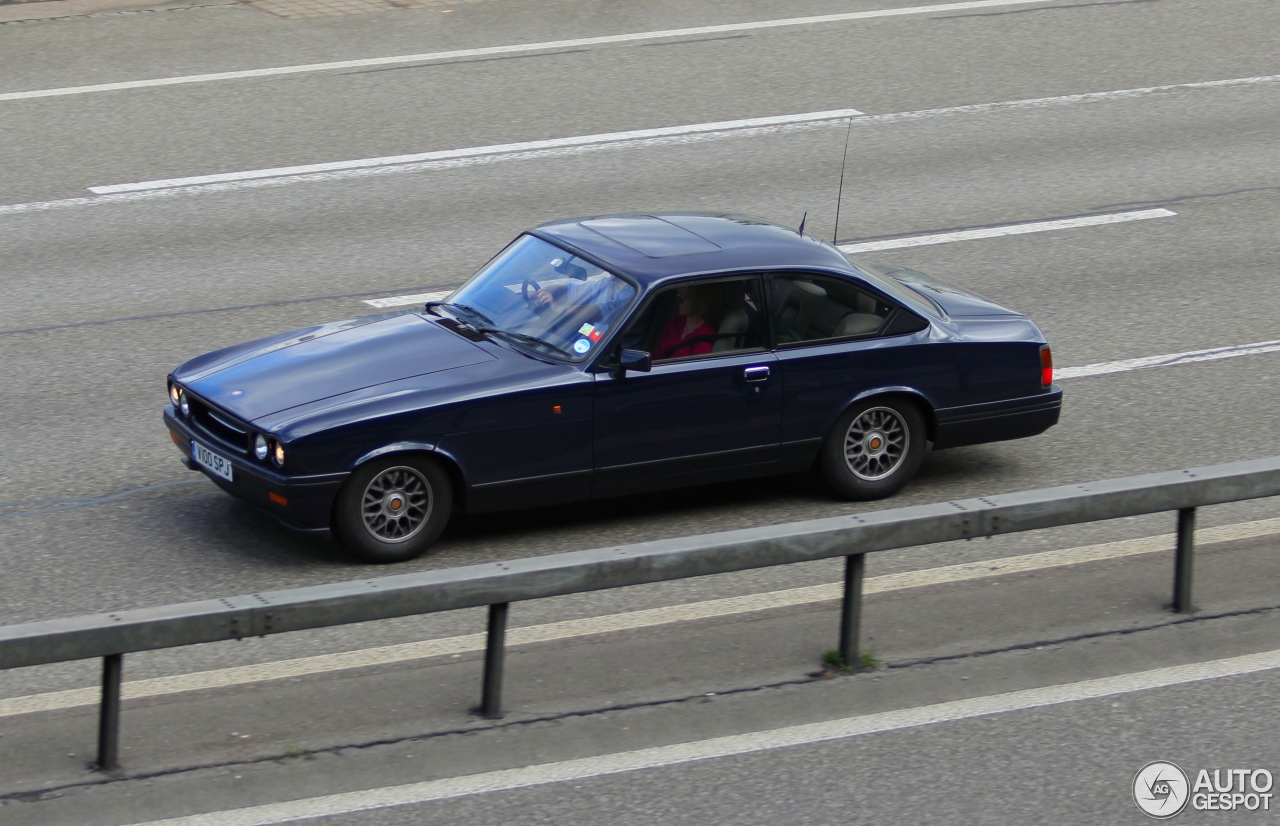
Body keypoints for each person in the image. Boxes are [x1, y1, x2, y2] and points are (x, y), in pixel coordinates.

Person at [654, 285, 720, 360]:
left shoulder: (706, 333)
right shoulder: (675, 322)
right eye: (679, 295)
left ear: (700, 301)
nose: (679, 301)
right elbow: (657, 353)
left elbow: (695, 366)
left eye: (686, 297)